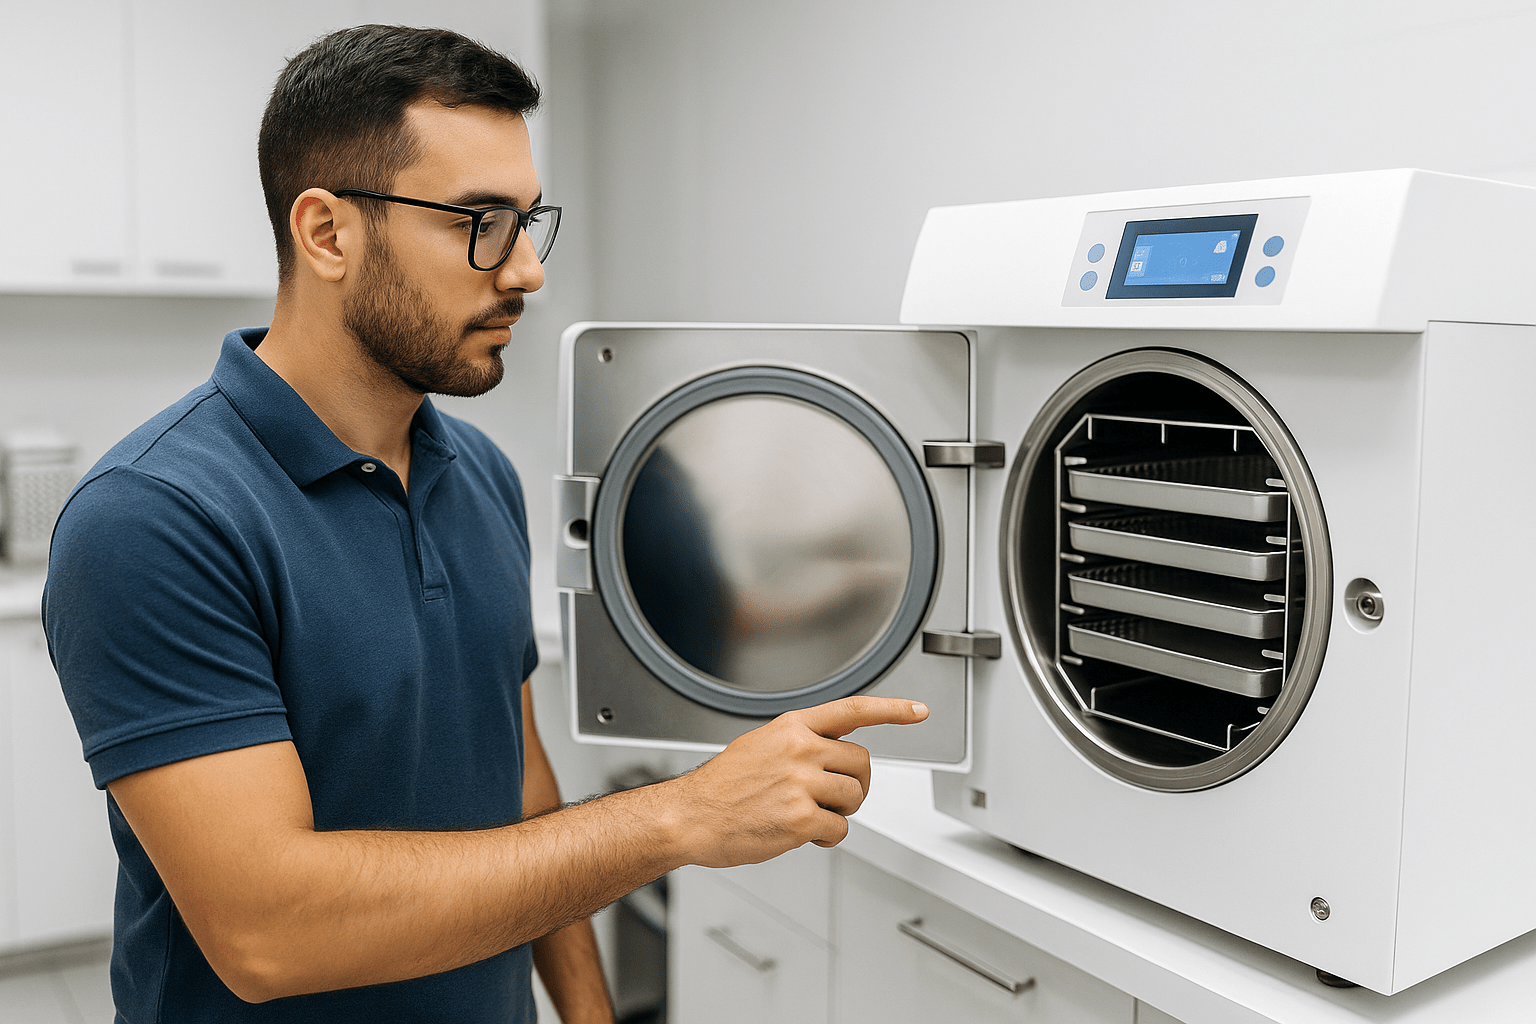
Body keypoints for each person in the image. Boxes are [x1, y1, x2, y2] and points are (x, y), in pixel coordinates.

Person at [41, 23, 928, 1024]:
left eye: (527, 221)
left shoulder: (481, 477)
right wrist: (680, 815)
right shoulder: (152, 519)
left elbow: (520, 782)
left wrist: (589, 1015)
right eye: (478, 221)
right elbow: (267, 930)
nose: (526, 273)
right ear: (328, 232)